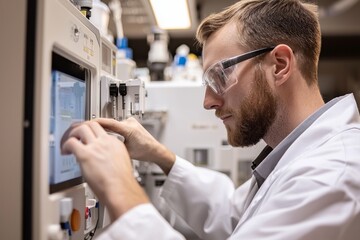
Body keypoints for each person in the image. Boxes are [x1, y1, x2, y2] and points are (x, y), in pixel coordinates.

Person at [61, 0, 360, 239]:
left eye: (220, 76)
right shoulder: (298, 157)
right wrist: (159, 155)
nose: (208, 101)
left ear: (279, 65)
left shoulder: (333, 176)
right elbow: (235, 217)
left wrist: (118, 184)